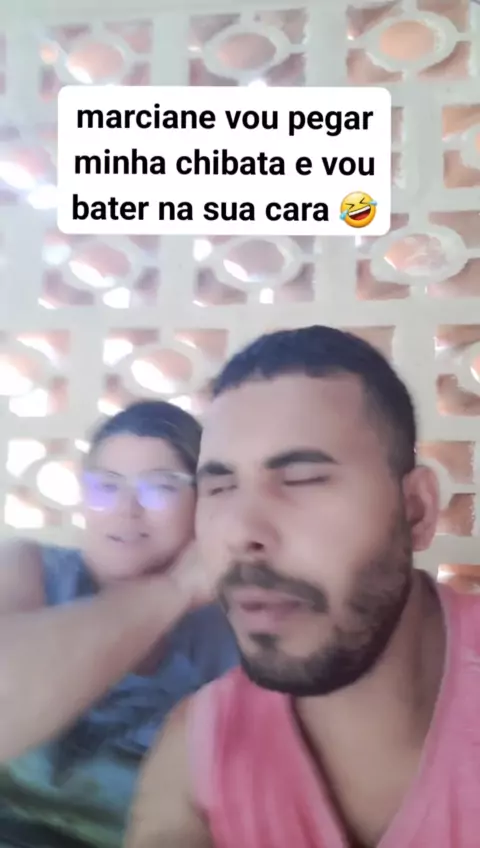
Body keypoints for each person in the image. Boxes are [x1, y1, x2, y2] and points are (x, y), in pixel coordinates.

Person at [128, 326, 480, 848]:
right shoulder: (201, 753)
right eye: (219, 487)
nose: (242, 533)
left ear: (416, 510)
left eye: (302, 479)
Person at [0, 400, 237, 848]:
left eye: (159, 487)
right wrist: (173, 590)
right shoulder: (28, 568)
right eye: (106, 486)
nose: (126, 509)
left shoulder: (230, 636)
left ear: (203, 501)